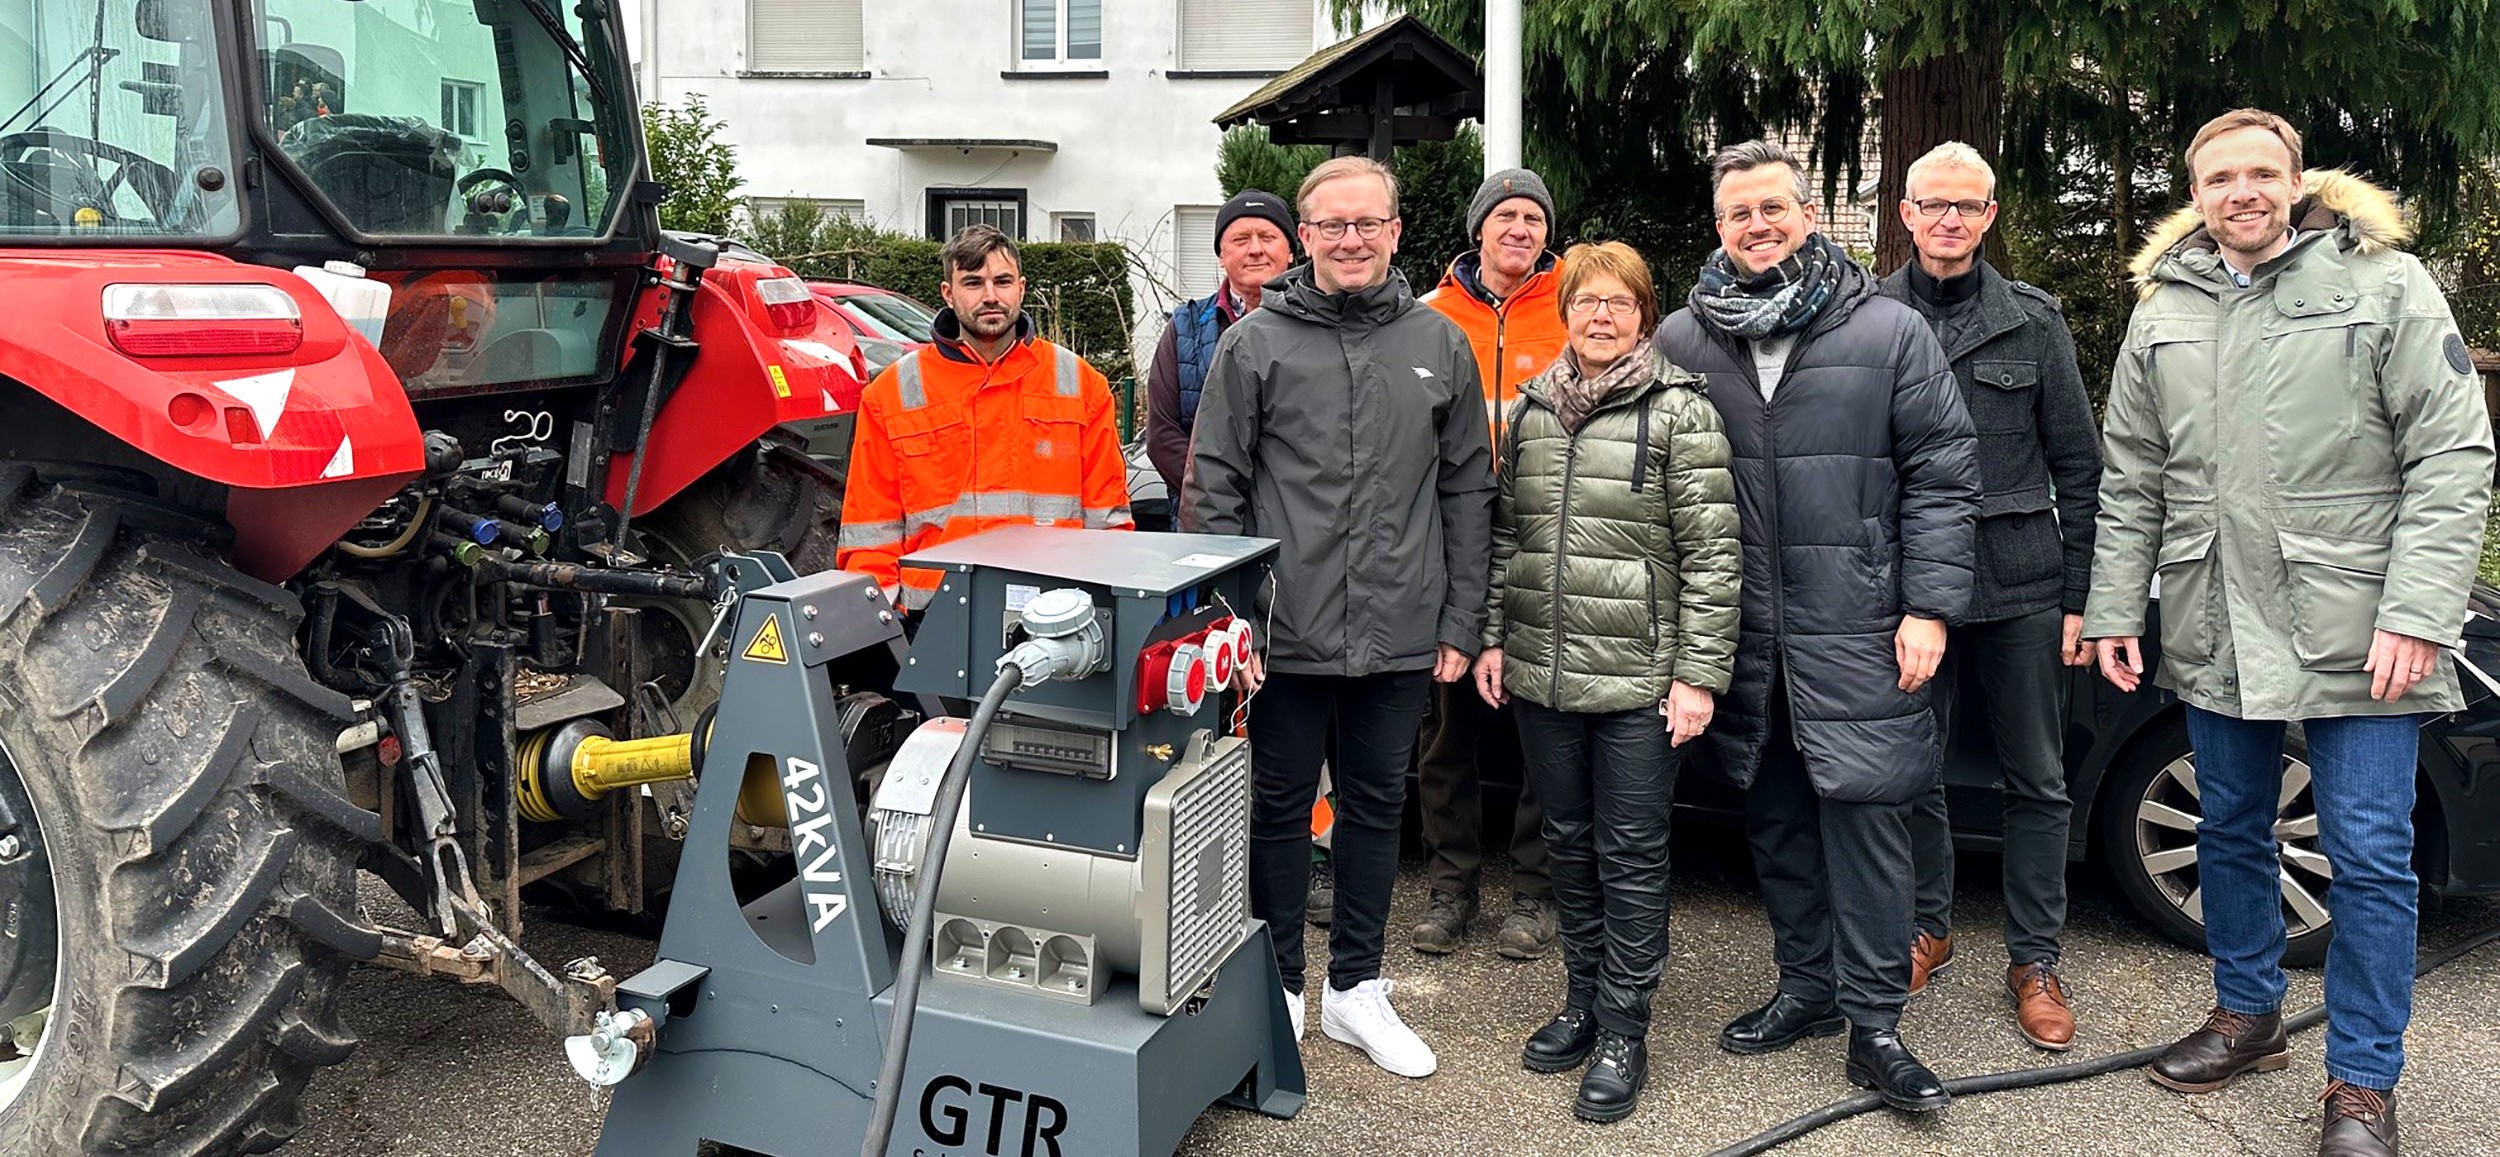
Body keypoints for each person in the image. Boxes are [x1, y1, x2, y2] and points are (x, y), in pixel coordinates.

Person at [2085, 108, 2493, 1157]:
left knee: (2370, 856)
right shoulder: (2164, 306)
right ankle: (2248, 1014)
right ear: (2196, 193)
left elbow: (2451, 455)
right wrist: (2117, 604)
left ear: (2298, 181)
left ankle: (2361, 1080)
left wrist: (2418, 611)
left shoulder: (2384, 284)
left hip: (2359, 627)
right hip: (2216, 615)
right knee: (2229, 829)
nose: (2242, 192)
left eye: (2261, 173)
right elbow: (2131, 472)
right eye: (2220, 177)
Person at [1653, 139, 1979, 1114]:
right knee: (1778, 818)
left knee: (1868, 822)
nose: (1756, 226)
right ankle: (1806, 985)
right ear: (1718, 227)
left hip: (1862, 624)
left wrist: (1928, 606)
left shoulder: (1886, 329)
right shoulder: (1683, 339)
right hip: (1742, 635)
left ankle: (1876, 1024)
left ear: (1808, 215)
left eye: (1772, 208)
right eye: (1737, 213)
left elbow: (1943, 473)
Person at [1186, 155, 1493, 1080]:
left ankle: (1356, 987)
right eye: (1332, 225)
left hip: (1401, 629)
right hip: (1282, 635)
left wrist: (1461, 620)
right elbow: (1213, 489)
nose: (1351, 240)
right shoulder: (1255, 345)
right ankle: (1279, 984)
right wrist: (1230, 623)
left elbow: (1468, 490)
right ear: (1306, 236)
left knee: (1376, 808)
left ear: (1396, 232)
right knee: (1277, 809)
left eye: (1368, 223)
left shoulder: (1439, 343)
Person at [1474, 240, 1739, 1122]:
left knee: (1630, 853)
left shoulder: (1680, 411)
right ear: (1565, 313)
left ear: (1643, 316)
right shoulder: (1533, 412)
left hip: (1639, 680)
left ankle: (1625, 1027)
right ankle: (1582, 999)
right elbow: (1506, 537)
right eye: (1586, 300)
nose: (1600, 316)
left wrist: (1698, 675)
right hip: (1544, 674)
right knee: (1567, 842)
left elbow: (1713, 556)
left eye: (1618, 302)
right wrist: (1493, 640)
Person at [1874, 141, 2103, 1050]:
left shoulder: (2033, 322)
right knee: (1913, 766)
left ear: (1990, 216)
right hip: (1907, 585)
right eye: (1934, 204)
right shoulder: (1869, 317)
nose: (1949, 219)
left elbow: (2079, 466)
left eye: (1967, 206)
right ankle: (1926, 926)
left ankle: (2035, 957)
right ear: (1906, 213)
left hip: (2020, 581)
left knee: (2037, 777)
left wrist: (2082, 595)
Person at [1411, 168, 1570, 960]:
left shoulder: (1578, 308)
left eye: (1533, 218)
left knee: (1544, 728)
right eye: (1504, 215)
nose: (1519, 229)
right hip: (1451, 546)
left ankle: (1536, 892)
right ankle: (1452, 885)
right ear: (1478, 228)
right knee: (1447, 730)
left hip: (1550, 545)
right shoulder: (1427, 317)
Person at [836, 225, 1133, 609]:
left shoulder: (1081, 384)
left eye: (1002, 281)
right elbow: (870, 535)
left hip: (1054, 613)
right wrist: (879, 623)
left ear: (1021, 289)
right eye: (973, 283)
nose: (990, 296)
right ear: (948, 293)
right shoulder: (891, 393)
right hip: (933, 616)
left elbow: (1108, 524)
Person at [1144, 189, 1297, 498]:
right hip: (1208, 515)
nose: (1255, 249)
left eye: (1268, 237)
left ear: (1292, 251)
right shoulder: (1185, 327)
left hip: (1298, 514)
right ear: (1221, 257)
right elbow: (1163, 435)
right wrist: (1218, 500)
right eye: (1240, 240)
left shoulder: (1317, 322)